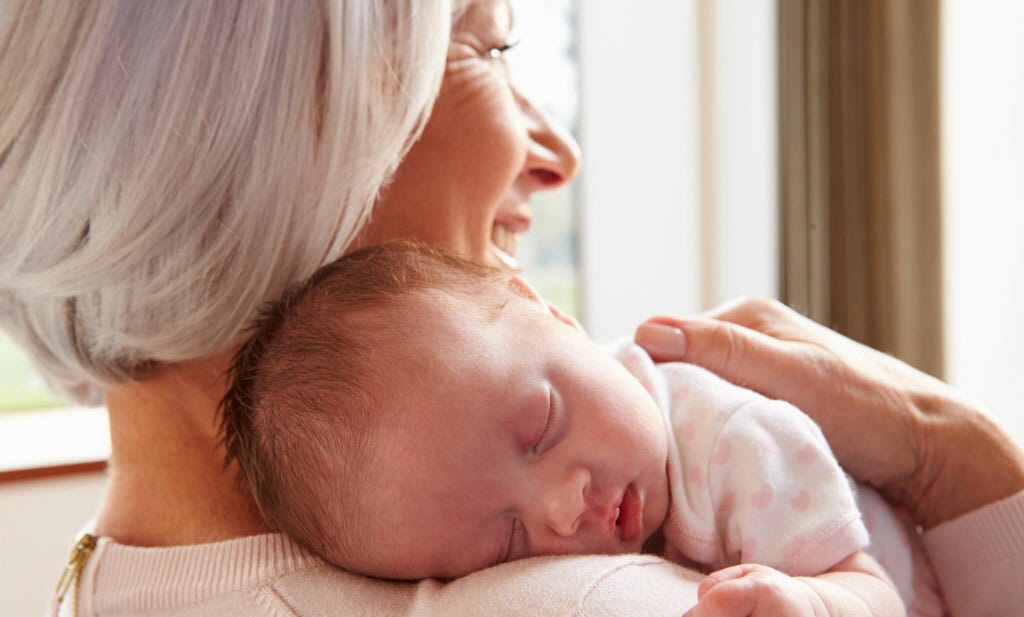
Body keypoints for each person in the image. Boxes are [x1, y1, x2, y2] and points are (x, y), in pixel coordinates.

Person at [0, 0, 1020, 615]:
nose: (557, 154)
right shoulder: (603, 595)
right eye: (488, 49)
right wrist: (965, 461)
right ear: (259, 141)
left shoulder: (115, 578)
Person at [219, 241, 915, 616]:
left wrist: (813, 602)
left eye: (543, 427)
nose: (562, 505)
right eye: (507, 541)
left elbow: (879, 592)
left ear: (549, 312)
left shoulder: (733, 441)